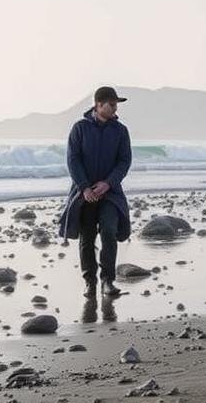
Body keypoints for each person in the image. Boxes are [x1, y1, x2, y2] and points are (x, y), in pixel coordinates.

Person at [58, 86, 133, 298]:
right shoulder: (80, 128)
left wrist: (108, 183)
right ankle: (89, 282)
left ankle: (107, 281)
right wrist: (83, 187)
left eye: (116, 104)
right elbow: (73, 160)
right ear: (98, 105)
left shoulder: (120, 131)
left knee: (109, 231)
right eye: (112, 104)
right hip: (85, 193)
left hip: (110, 193)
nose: (115, 108)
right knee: (87, 237)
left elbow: (124, 161)